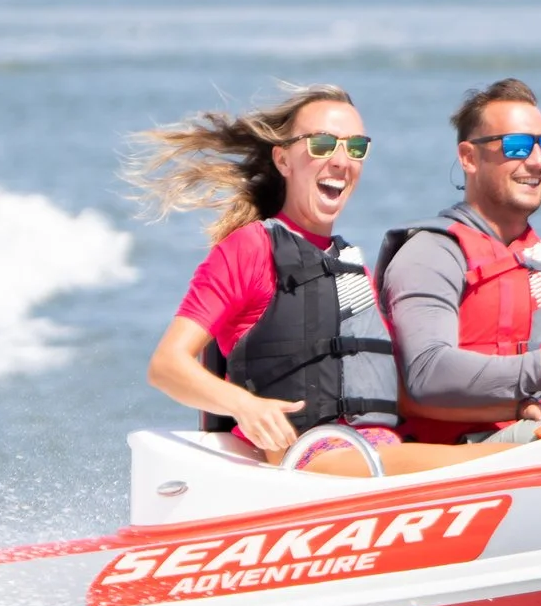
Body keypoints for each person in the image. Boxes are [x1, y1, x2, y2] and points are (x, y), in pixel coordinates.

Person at [131, 84, 499, 477]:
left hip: (382, 451)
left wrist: (516, 407)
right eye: (323, 144)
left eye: (355, 147)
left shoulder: (348, 264)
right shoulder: (250, 248)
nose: (342, 160)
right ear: (283, 159)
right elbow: (167, 365)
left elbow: (399, 394)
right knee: (495, 465)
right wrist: (245, 405)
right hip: (312, 459)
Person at [377, 79, 541, 444]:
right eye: (518, 146)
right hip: (458, 457)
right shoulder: (431, 255)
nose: (537, 161)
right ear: (468, 157)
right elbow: (426, 372)